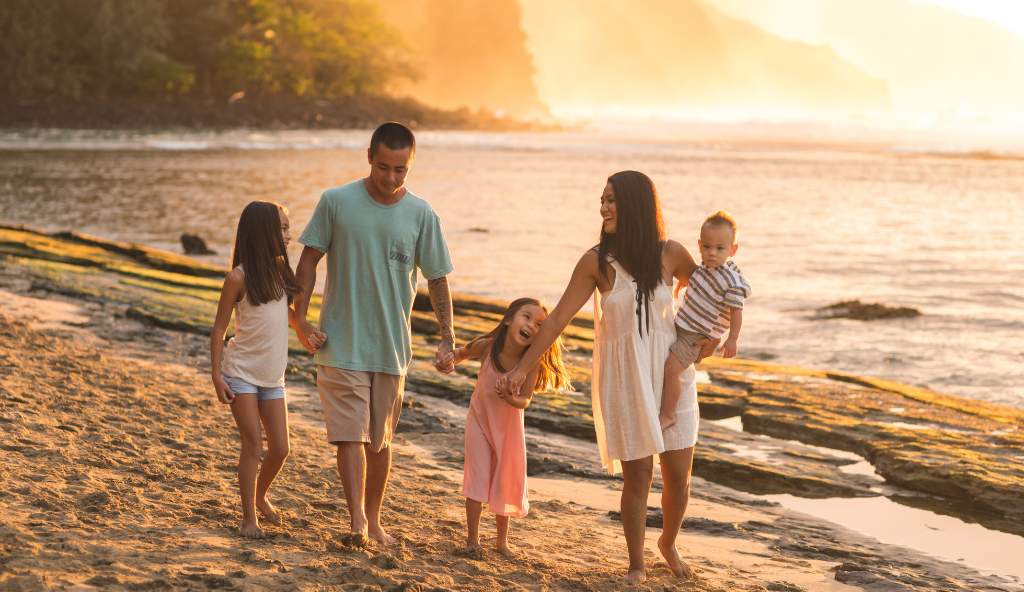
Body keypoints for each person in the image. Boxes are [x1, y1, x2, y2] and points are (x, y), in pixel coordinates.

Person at [496, 171, 716, 584]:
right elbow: (558, 318)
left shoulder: (670, 253)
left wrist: (711, 338)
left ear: (635, 205)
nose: (604, 207)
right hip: (627, 380)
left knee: (679, 479)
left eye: (612, 200)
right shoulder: (595, 262)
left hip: (672, 375)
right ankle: (636, 563)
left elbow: (708, 291)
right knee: (638, 476)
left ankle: (667, 542)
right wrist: (522, 369)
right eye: (602, 200)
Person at [293, 122, 456, 546]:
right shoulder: (335, 202)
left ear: (411, 164)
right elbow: (309, 260)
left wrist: (447, 338)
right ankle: (357, 524)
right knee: (351, 435)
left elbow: (438, 279)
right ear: (369, 157)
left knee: (380, 442)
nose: (390, 178)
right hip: (339, 341)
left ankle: (374, 518)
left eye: (400, 170)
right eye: (383, 167)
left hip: (390, 346)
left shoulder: (422, 214)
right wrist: (301, 318)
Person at [210, 201, 325, 538]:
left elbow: (284, 313)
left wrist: (304, 329)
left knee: (281, 448)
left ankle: (261, 496)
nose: (290, 235)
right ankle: (249, 517)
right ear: (264, 233)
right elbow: (219, 329)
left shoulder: (280, 274)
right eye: (284, 229)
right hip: (241, 373)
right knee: (253, 446)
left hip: (272, 378)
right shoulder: (238, 278)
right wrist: (217, 375)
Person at [454, 298, 571, 557]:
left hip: (508, 433)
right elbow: (462, 353)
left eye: (540, 324)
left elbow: (525, 399)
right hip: (479, 423)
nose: (531, 325)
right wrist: (449, 359)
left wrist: (511, 398)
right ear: (509, 320)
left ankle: (501, 541)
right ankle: (472, 539)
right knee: (476, 477)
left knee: (504, 480)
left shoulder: (530, 364)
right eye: (526, 317)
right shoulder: (488, 348)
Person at [660, 211, 750, 430]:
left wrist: (732, 339)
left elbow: (736, 312)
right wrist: (687, 285)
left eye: (720, 248)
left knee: (671, 370)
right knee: (664, 365)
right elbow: (699, 283)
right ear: (699, 245)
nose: (712, 253)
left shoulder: (731, 281)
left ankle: (668, 414)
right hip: (681, 326)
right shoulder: (705, 268)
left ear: (733, 250)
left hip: (696, 337)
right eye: (707, 247)